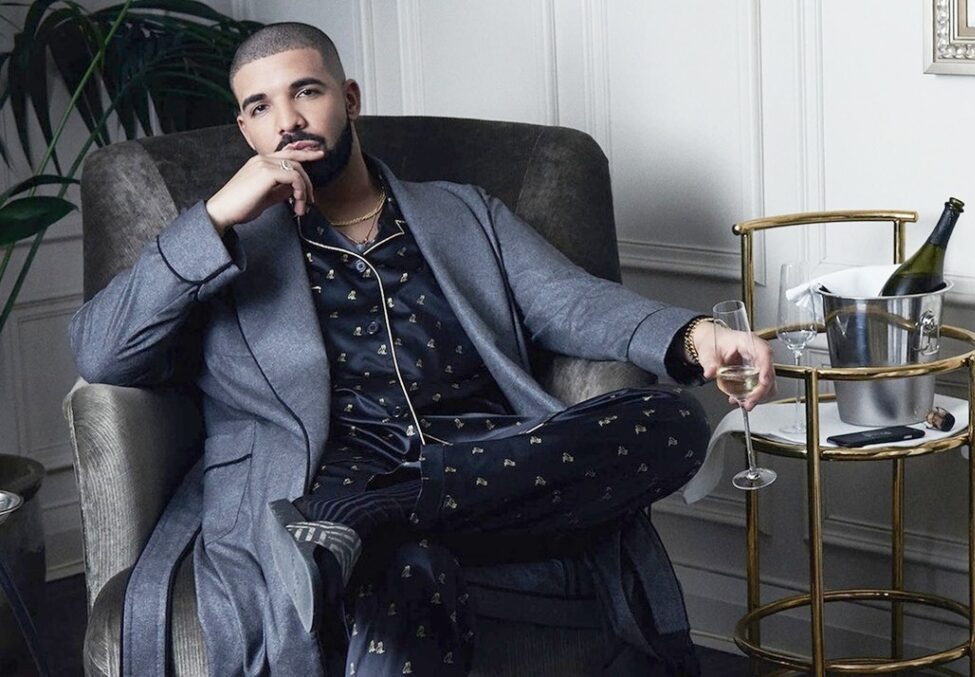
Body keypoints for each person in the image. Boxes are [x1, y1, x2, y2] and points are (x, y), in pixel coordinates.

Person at [69, 22, 774, 677]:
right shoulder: (227, 248)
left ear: (347, 99)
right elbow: (102, 352)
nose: (287, 121)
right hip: (323, 475)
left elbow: (573, 302)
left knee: (674, 420)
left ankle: (381, 510)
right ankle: (371, 514)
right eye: (261, 106)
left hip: (489, 467)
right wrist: (218, 214)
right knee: (412, 572)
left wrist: (694, 335)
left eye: (306, 92)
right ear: (245, 127)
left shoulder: (460, 212)